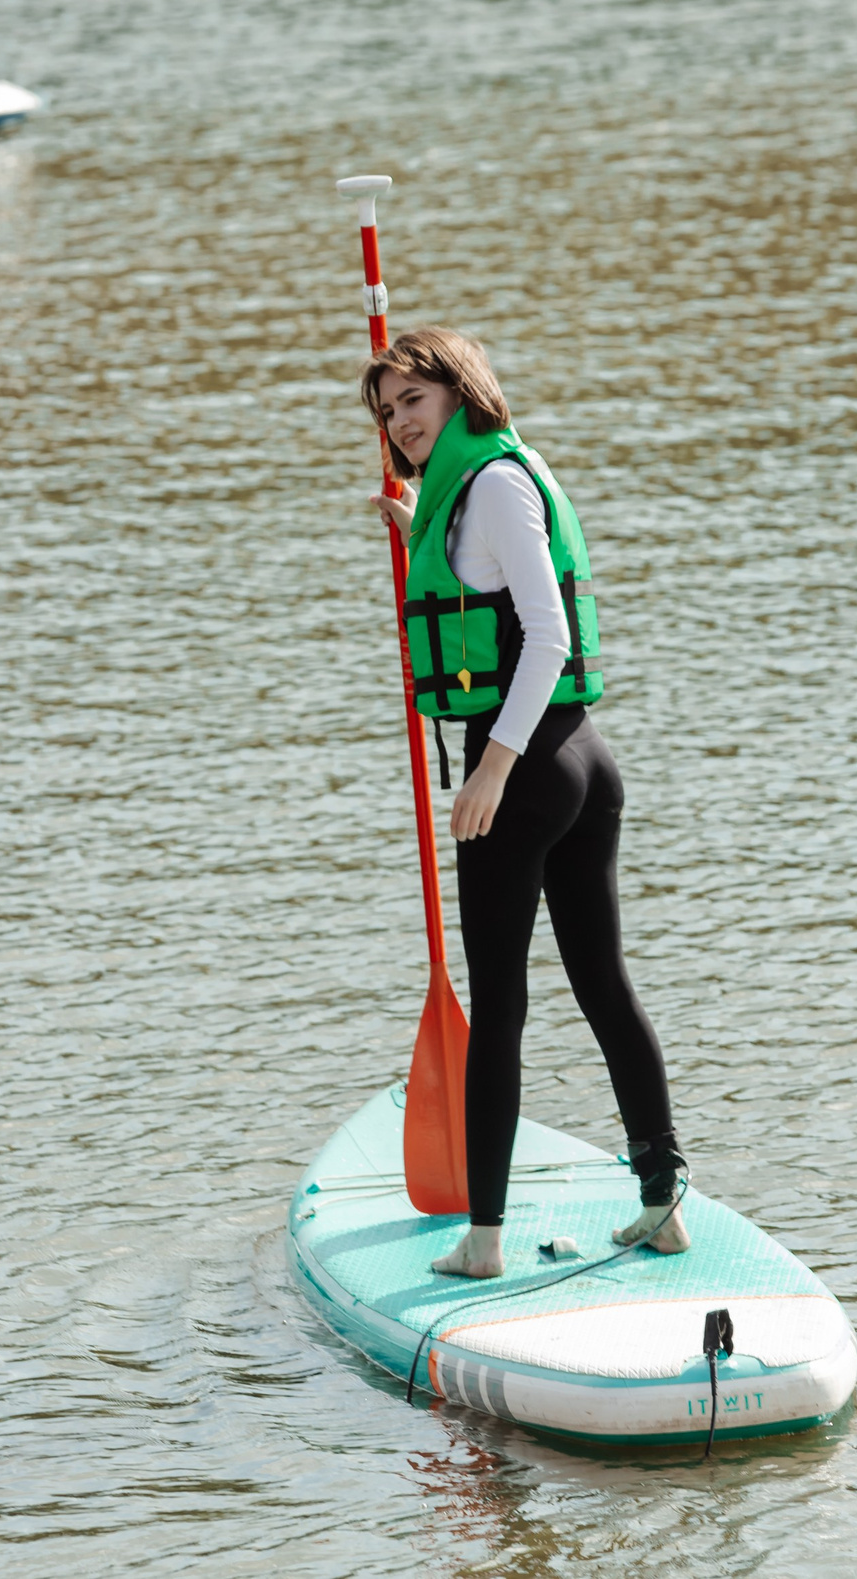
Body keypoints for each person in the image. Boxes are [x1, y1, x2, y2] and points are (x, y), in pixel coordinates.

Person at [362, 328, 689, 1280]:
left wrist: (494, 771)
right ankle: (662, 1203)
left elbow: (542, 638)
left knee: (501, 1002)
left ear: (459, 392)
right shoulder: (489, 483)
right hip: (583, 758)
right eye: (386, 410)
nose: (398, 421)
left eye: (412, 401)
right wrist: (414, 520)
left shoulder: (494, 487)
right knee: (602, 985)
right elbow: (485, 582)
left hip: (528, 766)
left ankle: (485, 1239)